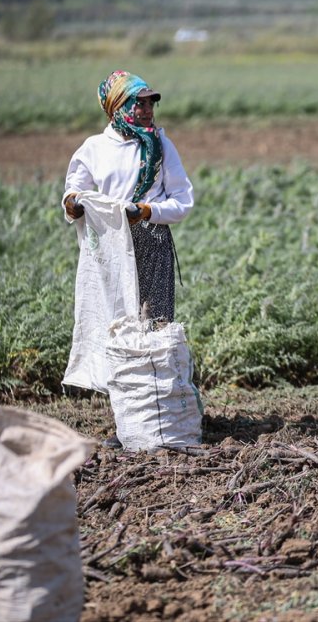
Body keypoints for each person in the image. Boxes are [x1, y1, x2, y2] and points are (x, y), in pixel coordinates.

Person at [61, 70, 195, 447]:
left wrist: (146, 211)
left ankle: (157, 420)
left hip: (151, 243)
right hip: (108, 254)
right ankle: (129, 424)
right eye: (139, 102)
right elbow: (74, 193)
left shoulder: (160, 146)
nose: (148, 109)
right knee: (114, 329)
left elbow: (182, 201)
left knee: (153, 330)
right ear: (116, 108)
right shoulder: (92, 149)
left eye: (151, 101)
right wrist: (73, 205)